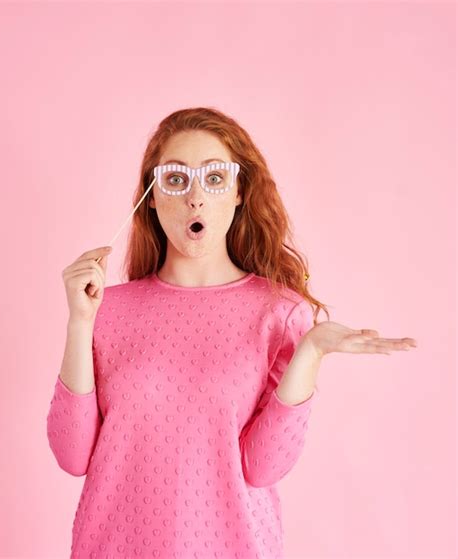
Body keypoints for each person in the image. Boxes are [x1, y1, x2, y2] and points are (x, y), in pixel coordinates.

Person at [46, 107, 417, 559]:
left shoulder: (280, 313)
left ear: (239, 191)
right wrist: (80, 321)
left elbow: (262, 468)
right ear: (153, 195)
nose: (195, 198)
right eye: (176, 180)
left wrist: (310, 352)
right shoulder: (106, 308)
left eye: (215, 179)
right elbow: (71, 456)